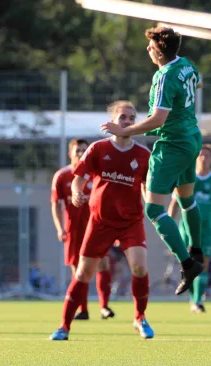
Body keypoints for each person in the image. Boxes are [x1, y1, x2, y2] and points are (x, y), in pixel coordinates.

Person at [100, 27, 204, 295]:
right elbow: (197, 83)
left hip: (172, 145)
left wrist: (124, 131)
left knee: (154, 210)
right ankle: (197, 250)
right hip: (192, 138)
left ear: (158, 51)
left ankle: (188, 263)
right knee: (186, 199)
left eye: (150, 46)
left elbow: (158, 119)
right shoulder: (186, 65)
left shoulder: (164, 76)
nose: (147, 49)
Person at [50, 101, 154, 341]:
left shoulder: (143, 154)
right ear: (113, 121)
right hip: (100, 222)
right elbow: (78, 178)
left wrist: (153, 203)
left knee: (139, 266)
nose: (127, 122)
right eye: (123, 118)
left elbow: (148, 188)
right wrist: (77, 192)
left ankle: (140, 318)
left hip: (131, 221)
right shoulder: (98, 149)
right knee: (84, 273)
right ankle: (64, 326)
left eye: (131, 118)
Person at [51, 138, 114, 320]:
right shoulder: (62, 176)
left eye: (84, 150)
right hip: (73, 230)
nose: (80, 153)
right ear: (69, 153)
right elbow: (55, 204)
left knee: (103, 263)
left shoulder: (95, 174)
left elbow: (107, 199)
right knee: (78, 270)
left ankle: (104, 307)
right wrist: (59, 228)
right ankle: (83, 310)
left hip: (96, 226)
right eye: (77, 150)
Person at [167, 143, 211, 313]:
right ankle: (193, 300)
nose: (203, 158)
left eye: (207, 156)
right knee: (188, 266)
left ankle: (197, 301)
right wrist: (168, 228)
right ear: (195, 159)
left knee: (203, 265)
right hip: (185, 230)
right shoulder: (185, 178)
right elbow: (174, 204)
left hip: (207, 230)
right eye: (200, 155)